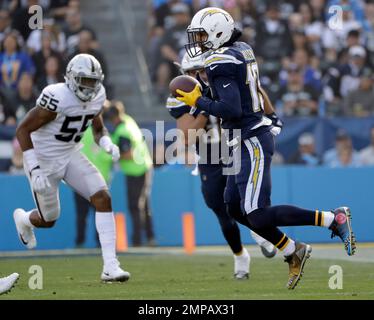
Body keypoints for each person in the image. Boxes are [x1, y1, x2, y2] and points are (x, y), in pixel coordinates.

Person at [177, 7, 356, 290]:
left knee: (257, 213)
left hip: (251, 138)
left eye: (201, 34)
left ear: (217, 32)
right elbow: (247, 90)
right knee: (234, 207)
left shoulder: (220, 60)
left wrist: (199, 100)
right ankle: (290, 249)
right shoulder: (241, 48)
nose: (198, 41)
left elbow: (231, 108)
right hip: (242, 138)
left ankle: (334, 219)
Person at [13, 53, 130, 282]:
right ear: (71, 78)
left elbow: (97, 127)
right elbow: (22, 130)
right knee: (49, 219)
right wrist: (34, 167)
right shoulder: (57, 97)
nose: (90, 87)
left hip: (70, 154)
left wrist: (105, 140)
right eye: (85, 81)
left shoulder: (98, 96)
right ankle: (25, 219)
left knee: (103, 197)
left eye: (93, 81)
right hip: (43, 159)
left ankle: (110, 266)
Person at [166, 52, 276, 279]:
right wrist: (204, 106)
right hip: (208, 154)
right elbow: (187, 137)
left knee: (244, 198)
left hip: (236, 144)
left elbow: (256, 88)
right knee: (220, 208)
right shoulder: (183, 95)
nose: (196, 76)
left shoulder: (224, 80)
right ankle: (240, 255)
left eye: (200, 70)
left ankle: (261, 233)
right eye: (190, 72)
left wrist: (272, 116)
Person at [103, 100, 155, 247]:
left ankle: (137, 241)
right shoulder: (128, 121)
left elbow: (128, 154)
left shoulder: (122, 131)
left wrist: (110, 155)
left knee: (135, 206)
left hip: (136, 171)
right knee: (144, 205)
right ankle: (150, 237)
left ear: (114, 118)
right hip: (144, 166)